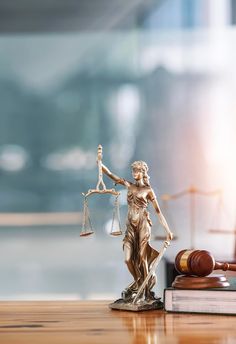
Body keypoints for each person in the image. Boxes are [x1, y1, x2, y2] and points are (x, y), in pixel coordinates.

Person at [102, 160, 173, 302]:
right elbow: (111, 175)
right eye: (133, 171)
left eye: (137, 171)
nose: (134, 173)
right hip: (130, 226)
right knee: (128, 259)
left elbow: (158, 212)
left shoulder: (148, 190)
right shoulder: (129, 185)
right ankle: (140, 282)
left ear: (143, 172)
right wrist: (100, 164)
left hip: (143, 224)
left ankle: (146, 293)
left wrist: (168, 230)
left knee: (142, 257)